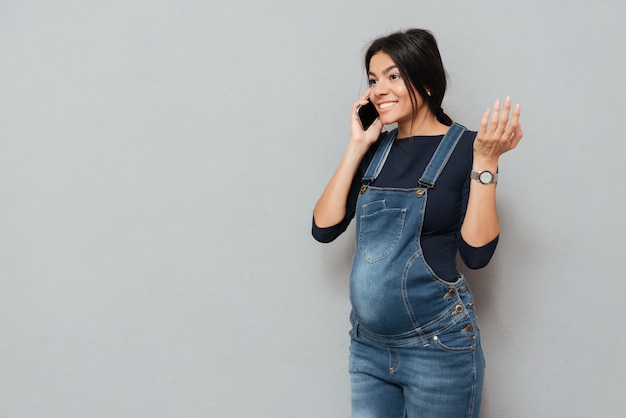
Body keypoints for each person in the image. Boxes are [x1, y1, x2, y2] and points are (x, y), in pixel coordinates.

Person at [311, 28, 523, 417]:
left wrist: (487, 163)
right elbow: (324, 228)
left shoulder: (468, 148)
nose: (379, 90)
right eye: (373, 80)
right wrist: (357, 144)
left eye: (393, 76)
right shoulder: (374, 151)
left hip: (438, 348)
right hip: (368, 347)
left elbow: (476, 254)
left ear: (425, 81)